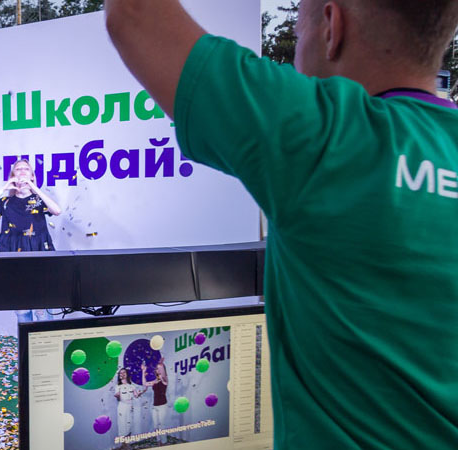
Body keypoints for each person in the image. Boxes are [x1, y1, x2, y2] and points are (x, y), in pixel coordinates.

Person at [105, 0, 458, 448]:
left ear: (332, 26)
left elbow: (134, 14)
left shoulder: (327, 136)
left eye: (297, 33)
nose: (294, 55)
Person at [0, 158, 62, 333]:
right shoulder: (6, 202)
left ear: (32, 175)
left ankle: (46, 345)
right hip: (14, 257)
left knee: (42, 308)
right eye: (18, 169)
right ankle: (26, 345)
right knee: (22, 310)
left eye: (26, 169)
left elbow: (57, 210)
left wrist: (34, 187)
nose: (22, 171)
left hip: (39, 254)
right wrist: (2, 189)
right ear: (13, 175)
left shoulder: (39, 199)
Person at [140, 360, 169, 446]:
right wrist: (143, 371)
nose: (158, 370)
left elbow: (163, 374)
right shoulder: (154, 382)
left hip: (163, 405)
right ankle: (159, 441)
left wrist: (161, 365)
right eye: (157, 369)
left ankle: (164, 442)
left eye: (159, 369)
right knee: (156, 425)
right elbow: (144, 383)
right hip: (155, 406)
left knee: (162, 425)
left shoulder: (165, 380)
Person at [114, 367, 138, 449]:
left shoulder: (132, 386)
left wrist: (142, 391)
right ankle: (124, 445)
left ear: (127, 374)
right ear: (119, 375)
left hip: (130, 407)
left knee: (129, 425)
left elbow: (136, 395)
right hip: (122, 407)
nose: (122, 374)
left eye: (124, 372)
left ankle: (127, 443)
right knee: (122, 426)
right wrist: (117, 395)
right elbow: (118, 397)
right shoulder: (118, 386)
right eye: (121, 373)